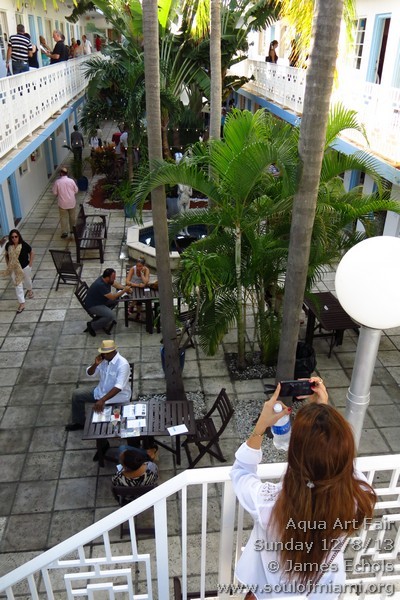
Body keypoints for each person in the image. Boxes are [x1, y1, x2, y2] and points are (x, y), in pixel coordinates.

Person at [230, 379, 377, 599]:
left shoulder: (268, 503)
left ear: (294, 455)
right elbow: (342, 465)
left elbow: (241, 472)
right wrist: (325, 414)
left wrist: (261, 426)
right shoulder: (357, 500)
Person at [65, 340, 131, 432]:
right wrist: (95, 364)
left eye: (106, 353)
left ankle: (105, 435)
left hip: (117, 398)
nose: (103, 355)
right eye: (103, 353)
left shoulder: (123, 364)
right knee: (77, 394)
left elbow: (118, 387)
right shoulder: (104, 360)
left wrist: (102, 400)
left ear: (113, 352)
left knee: (103, 424)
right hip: (100, 392)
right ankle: (80, 422)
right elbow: (90, 373)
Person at [84, 268, 131, 337]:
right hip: (93, 305)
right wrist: (124, 291)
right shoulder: (101, 285)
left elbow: (115, 284)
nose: (114, 279)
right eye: (113, 278)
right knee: (110, 315)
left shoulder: (105, 279)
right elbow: (112, 297)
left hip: (101, 300)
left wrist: (124, 288)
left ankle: (104, 313)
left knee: (117, 298)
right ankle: (92, 326)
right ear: (107, 278)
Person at [3, 229, 34, 314]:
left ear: (19, 236)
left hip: (24, 267)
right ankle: (22, 303)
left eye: (16, 236)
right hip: (14, 269)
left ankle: (29, 290)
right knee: (18, 285)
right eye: (12, 237)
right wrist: (8, 264)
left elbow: (32, 252)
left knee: (27, 281)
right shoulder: (8, 245)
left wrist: (30, 264)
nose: (14, 238)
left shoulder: (24, 245)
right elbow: (6, 255)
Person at [52, 167, 78, 239]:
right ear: (67, 173)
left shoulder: (57, 182)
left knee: (63, 217)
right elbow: (76, 190)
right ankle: (73, 230)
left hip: (62, 203)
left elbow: (54, 193)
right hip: (71, 202)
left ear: (61, 173)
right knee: (72, 217)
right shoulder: (71, 181)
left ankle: (64, 232)